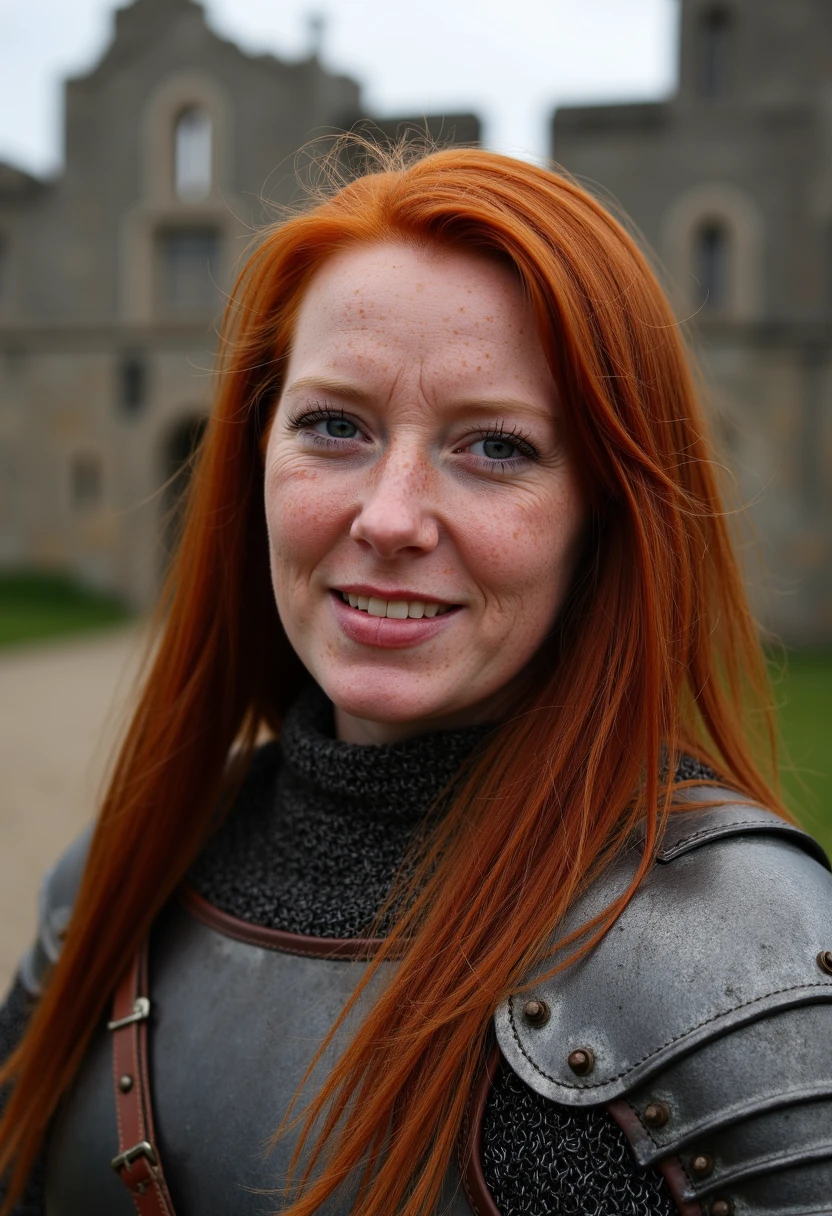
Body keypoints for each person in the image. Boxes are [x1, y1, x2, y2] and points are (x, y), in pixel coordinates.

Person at [1, 143, 831, 1216]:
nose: (388, 517)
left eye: (493, 446)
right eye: (333, 426)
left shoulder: (747, 968)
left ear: (606, 511)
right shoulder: (125, 868)